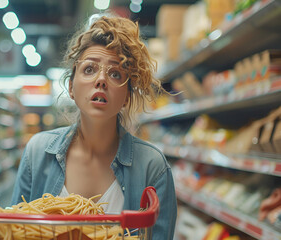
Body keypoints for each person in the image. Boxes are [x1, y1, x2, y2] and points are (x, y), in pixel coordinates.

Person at [11, 14, 177, 240]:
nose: (101, 80)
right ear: (71, 87)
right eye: (89, 69)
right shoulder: (38, 153)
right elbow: (11, 230)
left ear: (127, 95)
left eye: (115, 73)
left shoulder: (153, 167)